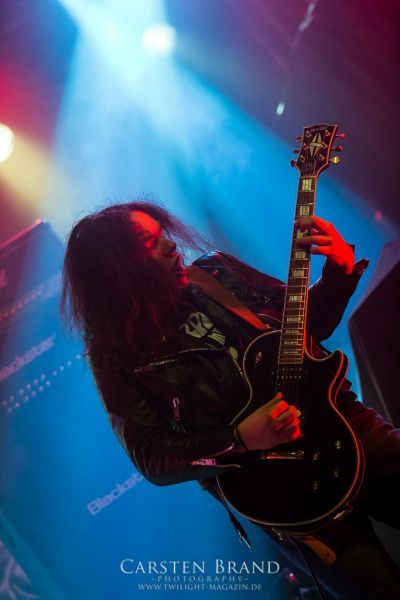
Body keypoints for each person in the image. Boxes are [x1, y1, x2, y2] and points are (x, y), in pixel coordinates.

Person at [61, 200, 400, 598]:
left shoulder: (216, 272)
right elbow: (153, 457)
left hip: (348, 430)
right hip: (280, 493)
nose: (170, 245)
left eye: (162, 234)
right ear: (119, 272)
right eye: (150, 243)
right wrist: (238, 439)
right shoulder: (115, 355)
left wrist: (339, 273)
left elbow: (304, 331)